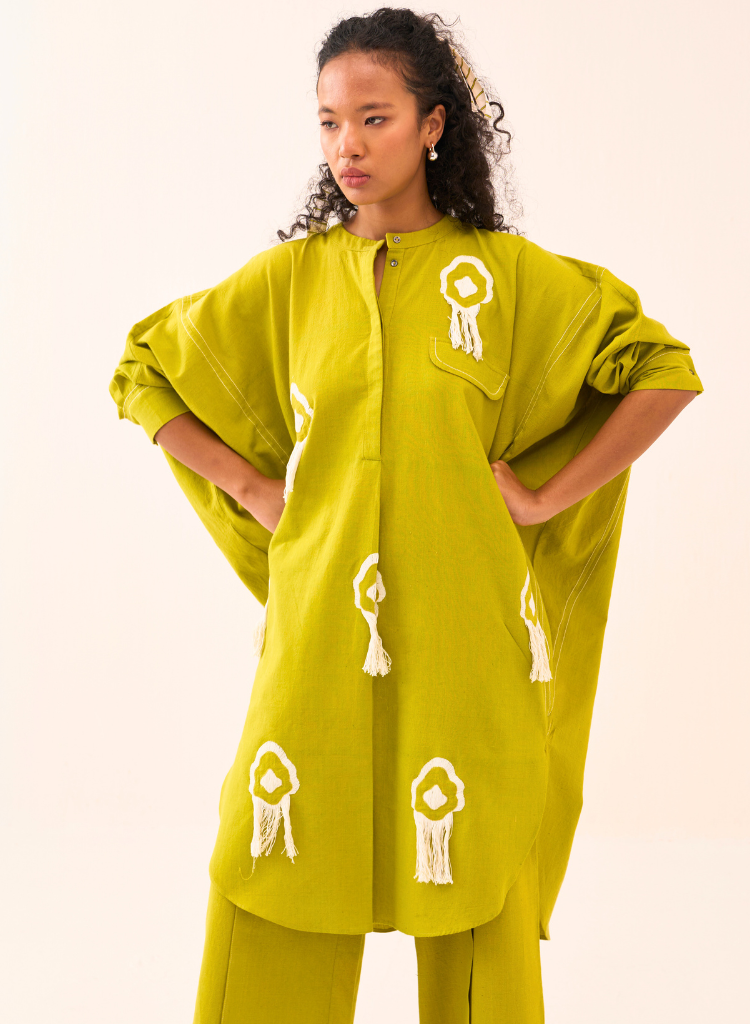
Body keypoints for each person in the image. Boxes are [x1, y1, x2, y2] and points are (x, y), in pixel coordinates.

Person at [107, 8, 703, 1022]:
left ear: (433, 125)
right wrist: (253, 489)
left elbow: (661, 371)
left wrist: (547, 496)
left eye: (373, 118)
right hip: (320, 636)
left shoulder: (509, 281)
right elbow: (144, 369)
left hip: (466, 636)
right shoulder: (288, 283)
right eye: (329, 122)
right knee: (272, 861)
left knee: (473, 872)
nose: (347, 145)